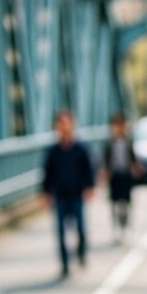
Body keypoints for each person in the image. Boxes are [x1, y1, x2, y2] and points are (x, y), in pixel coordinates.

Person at [42, 108, 95, 277]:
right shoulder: (53, 151)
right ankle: (64, 264)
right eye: (60, 123)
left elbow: (88, 170)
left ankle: (81, 253)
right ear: (57, 127)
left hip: (77, 194)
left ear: (72, 125)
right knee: (60, 232)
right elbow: (47, 173)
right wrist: (45, 193)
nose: (64, 127)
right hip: (60, 196)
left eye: (66, 123)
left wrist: (90, 187)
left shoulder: (80, 149)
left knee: (80, 229)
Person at [100, 110, 138, 242]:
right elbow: (105, 159)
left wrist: (135, 168)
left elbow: (133, 158)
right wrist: (105, 172)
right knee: (115, 204)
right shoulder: (110, 142)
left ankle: (125, 226)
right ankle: (116, 228)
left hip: (126, 175)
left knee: (126, 204)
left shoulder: (128, 141)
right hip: (114, 176)